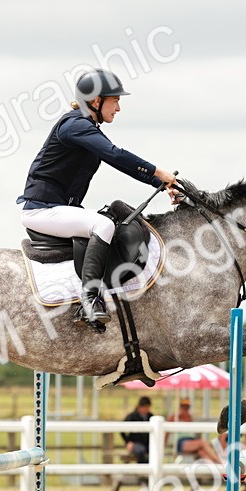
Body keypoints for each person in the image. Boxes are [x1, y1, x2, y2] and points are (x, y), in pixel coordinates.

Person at [17, 69, 179, 329]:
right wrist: (158, 172)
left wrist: (160, 183)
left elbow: (118, 160)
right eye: (115, 101)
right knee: (103, 225)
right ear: (96, 101)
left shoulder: (87, 126)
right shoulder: (75, 125)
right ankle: (90, 299)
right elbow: (115, 155)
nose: (118, 108)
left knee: (106, 222)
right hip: (42, 210)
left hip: (57, 208)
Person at [170, 399, 221, 464]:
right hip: (182, 442)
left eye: (187, 407)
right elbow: (166, 433)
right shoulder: (175, 417)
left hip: (191, 441)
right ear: (181, 407)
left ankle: (216, 467)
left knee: (201, 452)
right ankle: (220, 462)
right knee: (202, 443)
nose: (186, 409)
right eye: (184, 407)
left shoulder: (190, 417)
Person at [121, 396, 153, 463]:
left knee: (154, 450)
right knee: (141, 451)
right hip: (135, 443)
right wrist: (128, 442)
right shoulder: (132, 416)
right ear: (140, 407)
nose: (147, 409)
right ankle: (142, 470)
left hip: (148, 443)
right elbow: (122, 429)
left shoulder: (151, 416)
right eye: (146, 407)